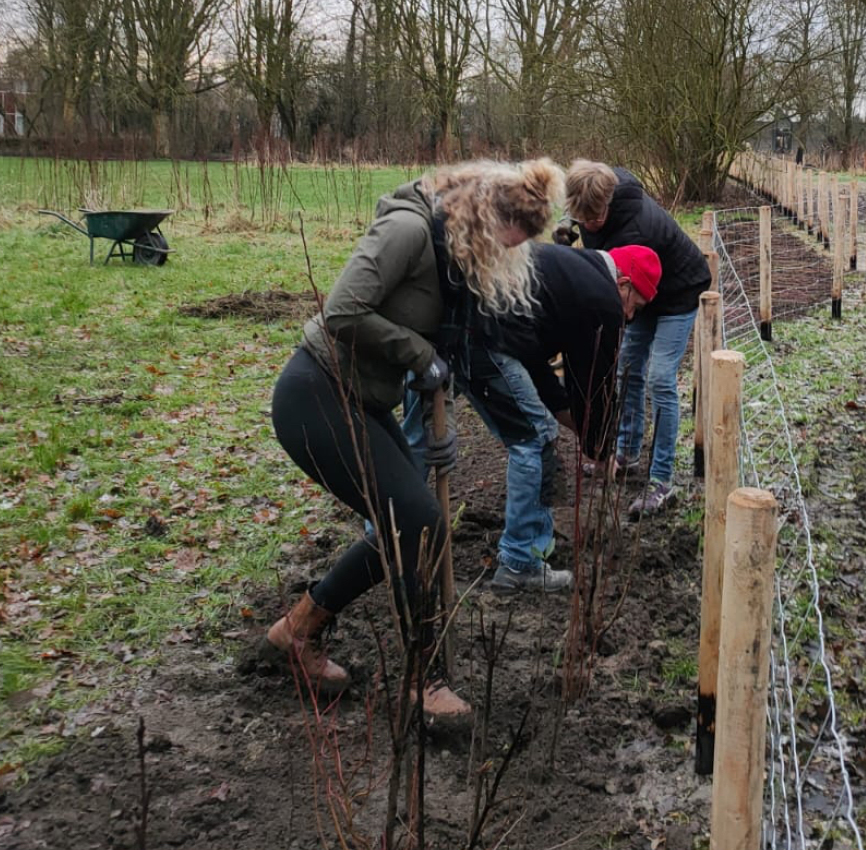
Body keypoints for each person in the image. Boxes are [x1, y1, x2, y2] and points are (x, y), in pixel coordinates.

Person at [265, 158, 563, 715]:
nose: (501, 256)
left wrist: (431, 422)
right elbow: (344, 313)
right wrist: (419, 357)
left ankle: (298, 628)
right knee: (419, 522)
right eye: (502, 241)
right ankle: (422, 683)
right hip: (317, 394)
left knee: (408, 526)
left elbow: (436, 346)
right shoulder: (406, 230)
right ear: (478, 216)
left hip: (364, 399)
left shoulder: (452, 260)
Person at [413, 242, 658, 592]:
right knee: (534, 440)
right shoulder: (602, 301)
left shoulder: (570, 270)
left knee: (422, 438)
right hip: (484, 339)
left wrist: (576, 425)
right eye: (636, 305)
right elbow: (595, 383)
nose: (631, 317)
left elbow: (533, 362)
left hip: (454, 331)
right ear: (623, 285)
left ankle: (384, 540)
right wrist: (601, 449)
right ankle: (520, 562)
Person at [554, 160, 711, 520]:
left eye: (592, 219)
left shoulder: (636, 230)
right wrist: (567, 224)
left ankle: (662, 480)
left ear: (608, 204)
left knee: (659, 377)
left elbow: (611, 290)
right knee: (628, 368)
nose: (588, 225)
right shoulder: (599, 186)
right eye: (582, 217)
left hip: (676, 292)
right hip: (636, 292)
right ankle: (627, 453)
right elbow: (579, 216)